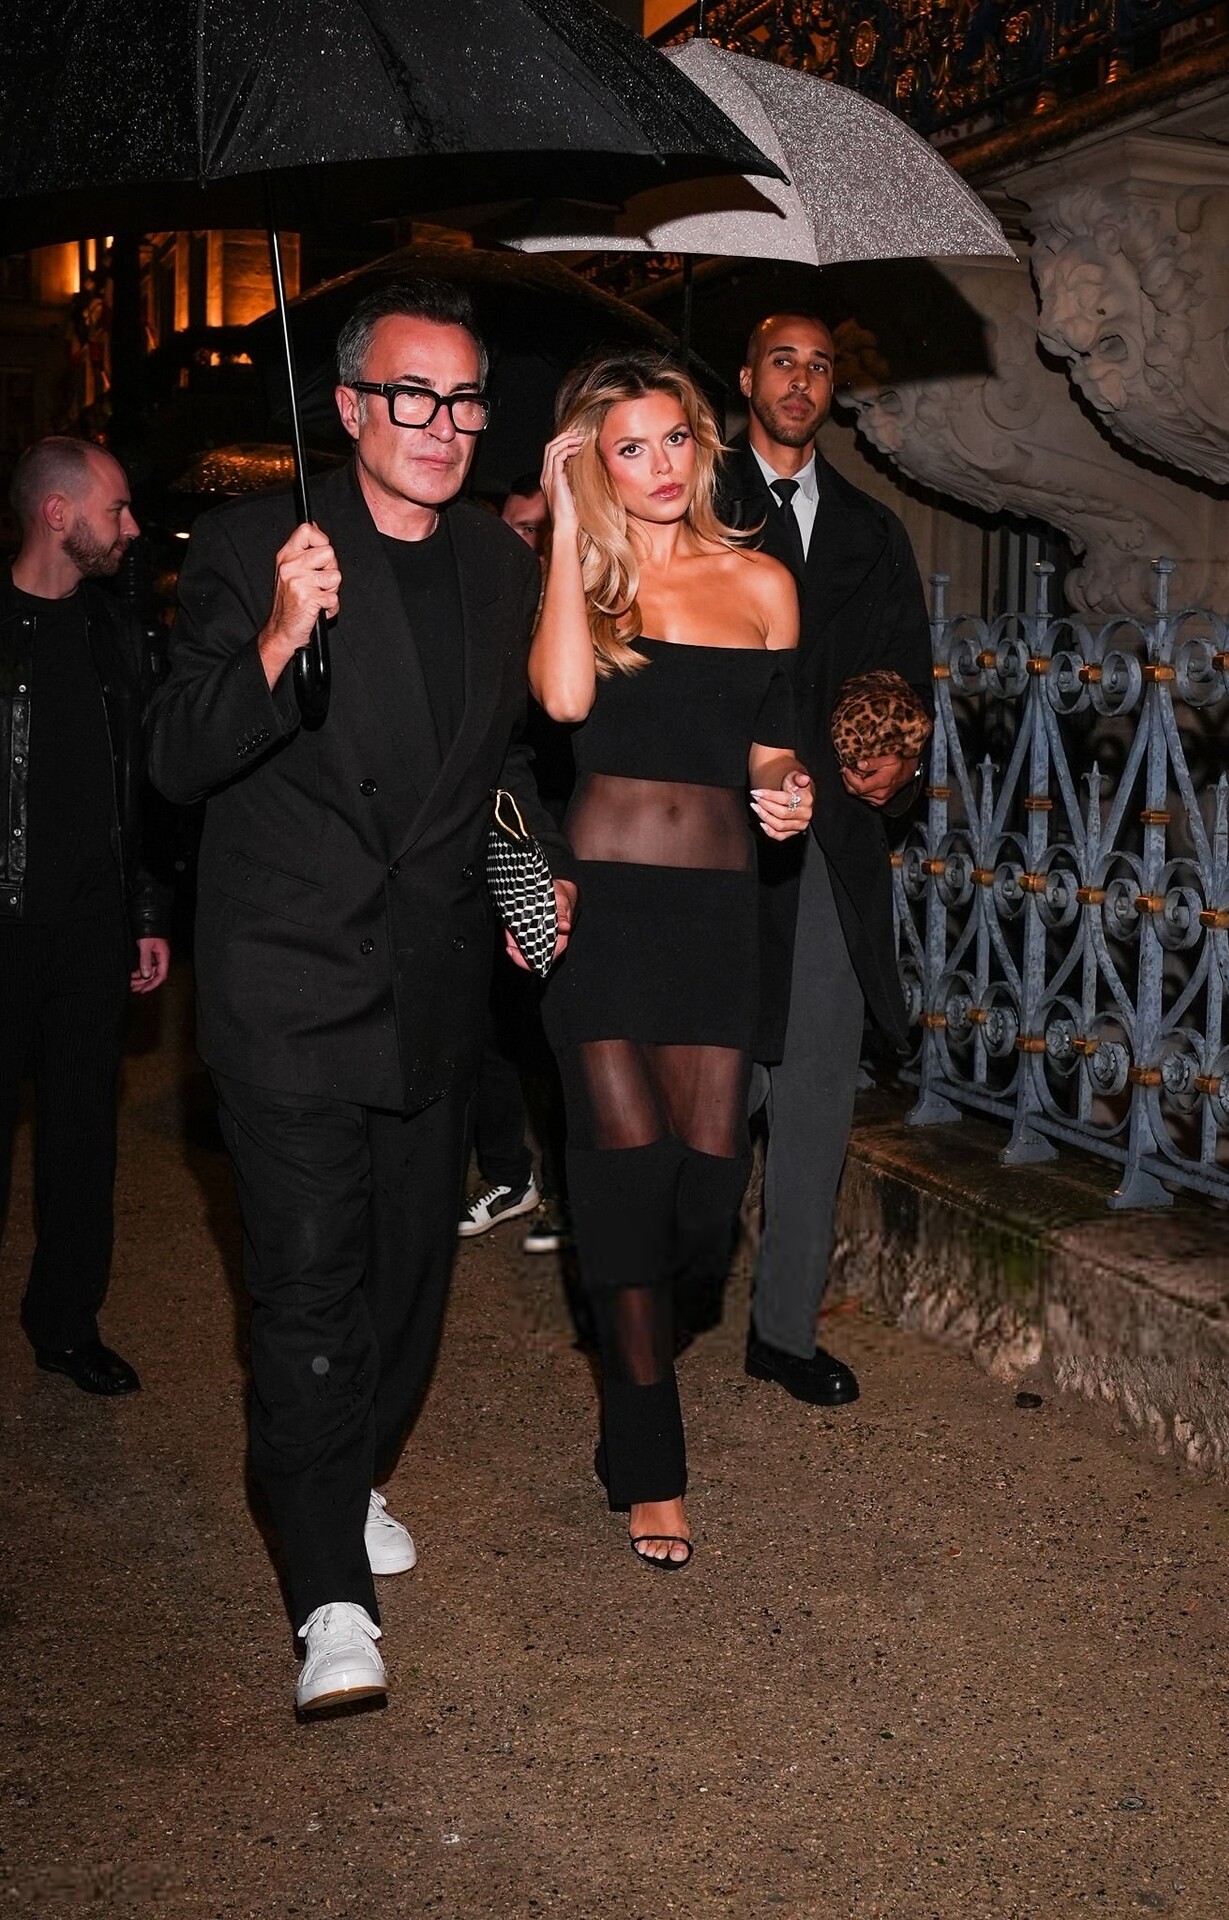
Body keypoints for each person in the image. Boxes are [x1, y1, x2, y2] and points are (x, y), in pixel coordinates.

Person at [148, 279, 576, 1714]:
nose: (442, 424)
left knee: (408, 1289)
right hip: (288, 991)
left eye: (463, 400)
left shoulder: (500, 566)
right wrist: (278, 638)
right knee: (309, 1295)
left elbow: (498, 768)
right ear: (346, 406)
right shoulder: (251, 545)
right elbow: (176, 758)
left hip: (430, 994)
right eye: (411, 394)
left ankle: (350, 1469)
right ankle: (327, 1591)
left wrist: (533, 872)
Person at [531, 348, 812, 1569]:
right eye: (626, 448)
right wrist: (561, 532)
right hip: (599, 916)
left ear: (701, 443)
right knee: (623, 1179)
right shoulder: (582, 584)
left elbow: (769, 742)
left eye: (672, 439)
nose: (655, 466)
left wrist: (787, 789)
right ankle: (650, 1462)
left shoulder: (761, 582)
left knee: (704, 1192)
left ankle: (633, 1347)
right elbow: (559, 704)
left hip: (713, 915)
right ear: (593, 463)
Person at [718, 313, 933, 1408]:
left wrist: (895, 765)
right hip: (709, 840)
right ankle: (661, 1291)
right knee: (706, 1088)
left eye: (818, 366)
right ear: (745, 377)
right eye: (781, 362)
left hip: (826, 854)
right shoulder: (690, 500)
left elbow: (905, 680)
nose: (799, 382)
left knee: (810, 1099)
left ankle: (784, 1330)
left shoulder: (871, 531)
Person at [1, 438, 170, 1397]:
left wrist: (146, 906)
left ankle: (65, 1325)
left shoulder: (119, 634)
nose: (132, 528)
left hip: (91, 933)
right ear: (58, 514)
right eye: (117, 509)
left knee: (81, 1144)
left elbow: (144, 787)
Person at [458, 472, 572, 1256]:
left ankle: (570, 1192)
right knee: (490, 1016)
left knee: (561, 1028)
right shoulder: (488, 602)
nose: (528, 543)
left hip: (572, 828)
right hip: (505, 829)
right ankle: (510, 1173)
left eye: (542, 529)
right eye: (519, 528)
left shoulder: (583, 604)